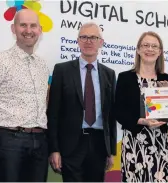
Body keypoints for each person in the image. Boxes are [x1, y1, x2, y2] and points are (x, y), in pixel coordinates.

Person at [47, 22, 117, 182]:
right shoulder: (62, 70)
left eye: (93, 37)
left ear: (101, 42)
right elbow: (53, 113)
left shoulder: (109, 74)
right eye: (84, 37)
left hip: (99, 145)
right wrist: (54, 149)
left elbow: (110, 116)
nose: (88, 41)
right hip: (71, 145)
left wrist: (110, 151)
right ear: (78, 41)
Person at [0, 9, 49, 182]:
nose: (28, 30)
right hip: (8, 142)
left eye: (33, 26)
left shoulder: (42, 66)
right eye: (23, 25)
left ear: (40, 30)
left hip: (40, 142)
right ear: (13, 29)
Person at [115, 31, 168, 182]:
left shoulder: (167, 79)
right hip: (133, 145)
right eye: (145, 45)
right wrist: (142, 121)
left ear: (159, 52)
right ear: (138, 50)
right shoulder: (125, 78)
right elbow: (118, 111)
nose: (150, 49)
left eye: (154, 46)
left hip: (160, 144)